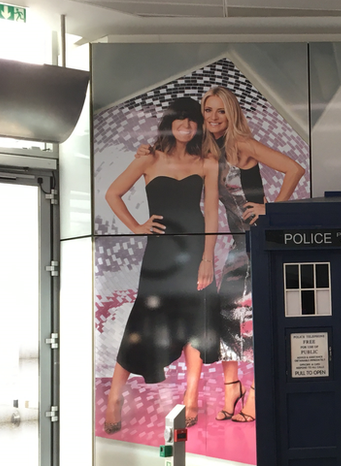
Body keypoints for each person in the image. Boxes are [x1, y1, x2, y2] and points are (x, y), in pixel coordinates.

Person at [137, 86, 305, 424]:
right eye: (208, 111)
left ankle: (255, 395)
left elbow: (294, 169)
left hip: (260, 242)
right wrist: (149, 150)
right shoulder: (207, 152)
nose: (214, 118)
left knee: (254, 322)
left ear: (232, 114)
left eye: (221, 111)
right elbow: (207, 202)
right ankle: (232, 388)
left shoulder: (242, 144)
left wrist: (271, 209)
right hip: (238, 245)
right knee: (225, 314)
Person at [103, 97, 220, 433]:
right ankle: (115, 395)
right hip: (160, 254)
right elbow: (114, 193)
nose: (187, 126)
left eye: (192, 121)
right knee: (144, 319)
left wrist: (207, 258)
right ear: (170, 122)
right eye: (180, 120)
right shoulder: (149, 157)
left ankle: (192, 394)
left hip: (196, 251)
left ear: (197, 126)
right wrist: (137, 226)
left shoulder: (207, 161)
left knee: (195, 320)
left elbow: (210, 213)